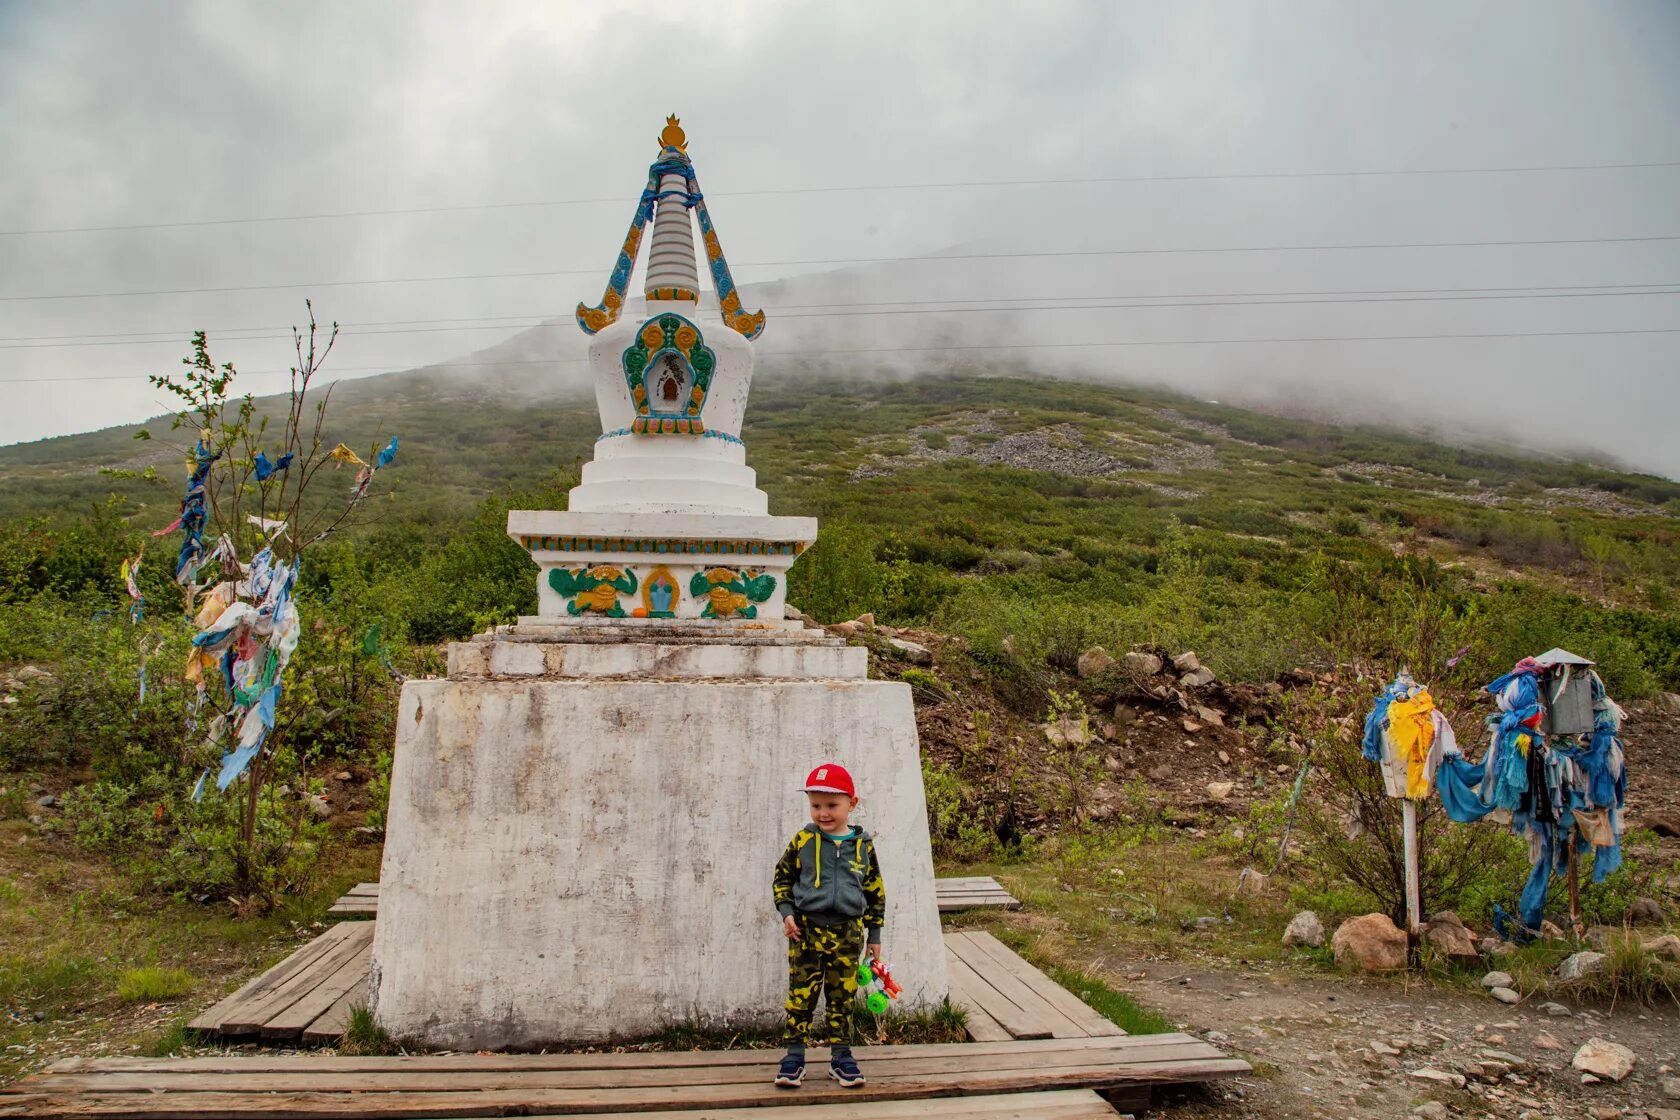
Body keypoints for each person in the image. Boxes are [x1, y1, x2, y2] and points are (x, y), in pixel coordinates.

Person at [770, 762, 886, 1089]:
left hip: (848, 933)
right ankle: (794, 1057)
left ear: (852, 803)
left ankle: (841, 1057)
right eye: (816, 805)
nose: (823, 813)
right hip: (806, 933)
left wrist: (874, 934)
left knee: (842, 997)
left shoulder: (863, 846)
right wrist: (786, 912)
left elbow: (875, 890)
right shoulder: (804, 840)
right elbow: (782, 878)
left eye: (832, 805)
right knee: (801, 996)